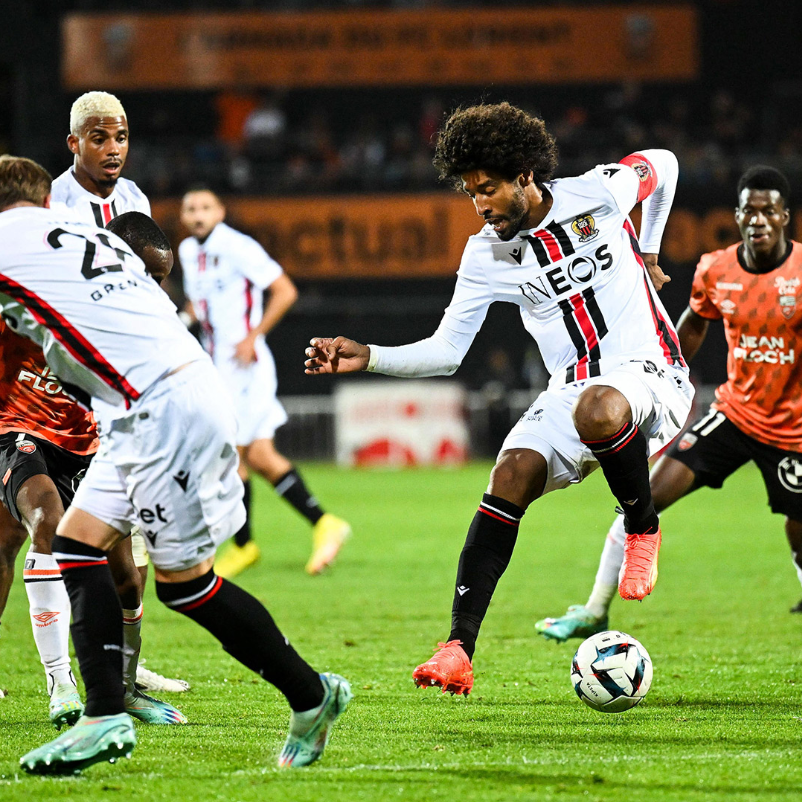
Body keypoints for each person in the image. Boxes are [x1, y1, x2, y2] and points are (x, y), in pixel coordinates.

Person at [305, 102, 693, 695]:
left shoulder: (600, 191)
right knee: (509, 473)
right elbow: (447, 351)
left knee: (599, 408)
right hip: (571, 388)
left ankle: (641, 526)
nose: (480, 205)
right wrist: (371, 355)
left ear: (525, 176)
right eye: (470, 193)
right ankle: (458, 646)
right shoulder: (483, 254)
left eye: (488, 189)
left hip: (650, 373)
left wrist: (648, 252)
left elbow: (662, 165)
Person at [0, 156, 351, 775]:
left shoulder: (10, 237)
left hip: (163, 407)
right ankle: (103, 714)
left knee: (188, 587)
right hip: (151, 402)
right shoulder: (77, 233)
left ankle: (312, 696)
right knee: (77, 544)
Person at [536, 165, 802, 641]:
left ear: (786, 217)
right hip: (735, 415)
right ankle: (595, 608)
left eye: (769, 210)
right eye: (749, 210)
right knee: (643, 499)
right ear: (737, 216)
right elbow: (696, 323)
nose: (758, 219)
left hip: (794, 429)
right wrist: (667, 368)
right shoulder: (716, 268)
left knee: (799, 531)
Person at [0, 210, 186, 727]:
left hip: (97, 446)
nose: (155, 289)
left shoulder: (147, 317)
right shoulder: (47, 284)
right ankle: (61, 685)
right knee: (46, 523)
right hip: (23, 429)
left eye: (162, 280)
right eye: (149, 275)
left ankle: (124, 690)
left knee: (127, 579)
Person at [48, 90, 187, 696]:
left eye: (122, 137)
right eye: (100, 138)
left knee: (131, 537)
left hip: (125, 377)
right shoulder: (53, 202)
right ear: (73, 141)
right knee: (47, 533)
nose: (113, 150)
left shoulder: (133, 200)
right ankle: (68, 672)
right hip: (68, 379)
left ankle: (125, 664)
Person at [179, 187, 351, 577]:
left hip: (245, 366)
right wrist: (184, 320)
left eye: (206, 207)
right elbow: (200, 304)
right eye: (191, 208)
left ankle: (244, 545)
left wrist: (252, 336)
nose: (198, 213)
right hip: (216, 364)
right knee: (258, 456)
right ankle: (325, 523)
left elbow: (285, 290)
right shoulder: (190, 252)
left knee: (231, 453)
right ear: (184, 217)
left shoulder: (238, 246)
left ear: (220, 212)